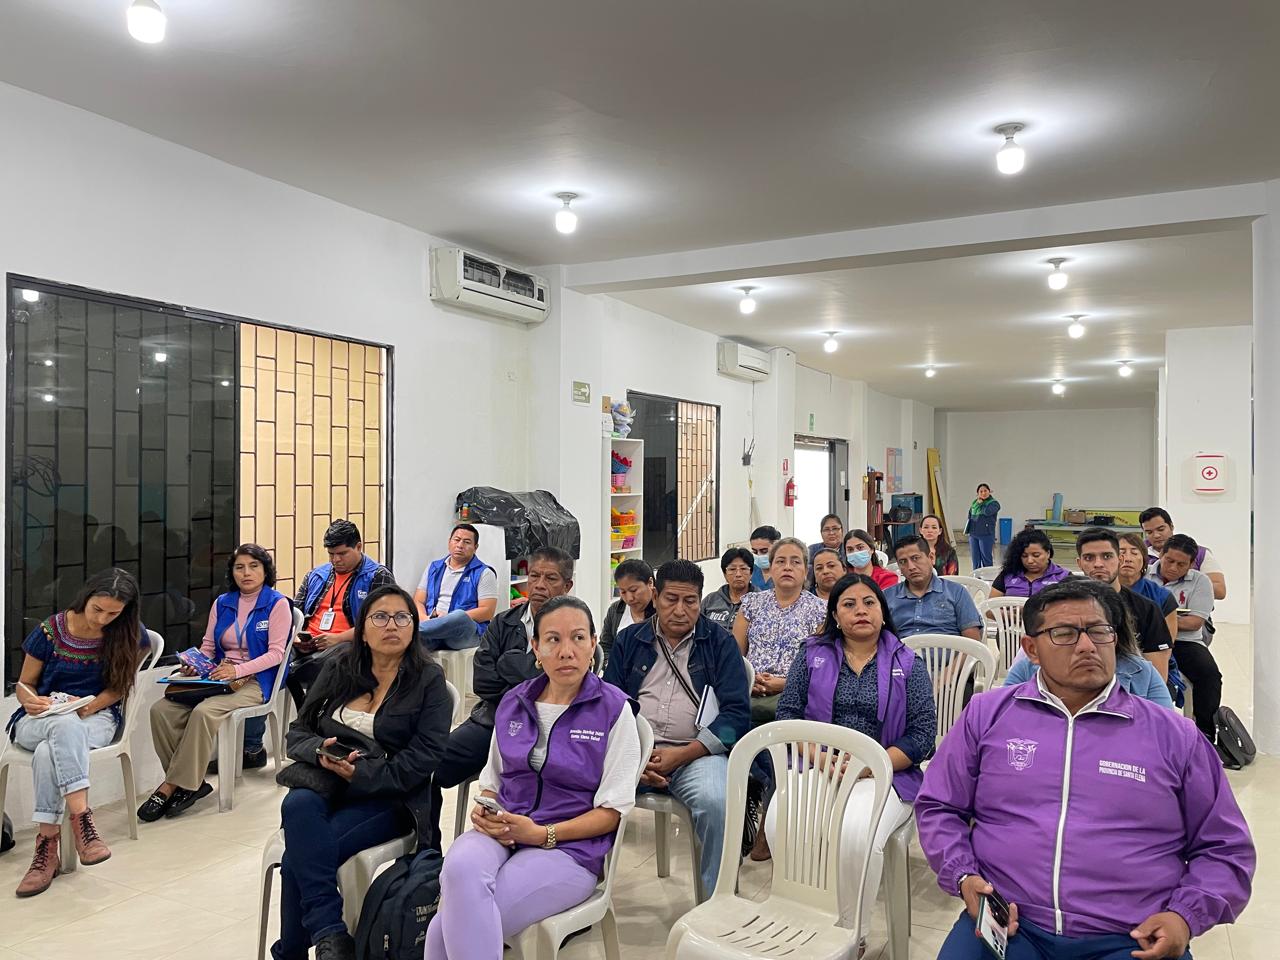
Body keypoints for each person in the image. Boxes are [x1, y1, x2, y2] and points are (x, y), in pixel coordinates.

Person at [916, 578, 1254, 960]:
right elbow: (939, 805)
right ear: (1031, 650)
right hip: (1008, 922)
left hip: (1132, 936)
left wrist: (1185, 917)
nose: (1087, 645)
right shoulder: (987, 715)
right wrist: (963, 875)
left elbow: (1225, 847)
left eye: (1098, 631)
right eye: (1064, 634)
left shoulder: (1174, 735)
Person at [426, 596, 641, 959]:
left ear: (593, 644)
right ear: (536, 648)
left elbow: (612, 812)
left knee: (442, 931)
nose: (566, 651)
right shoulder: (515, 701)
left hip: (569, 849)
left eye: (578, 638)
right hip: (505, 831)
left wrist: (543, 834)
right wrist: (486, 809)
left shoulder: (613, 709)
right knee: (459, 867)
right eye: (553, 639)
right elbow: (492, 782)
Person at [272, 584, 452, 960]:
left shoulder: (428, 680)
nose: (392, 625)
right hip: (326, 781)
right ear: (363, 629)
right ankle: (331, 934)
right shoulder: (340, 667)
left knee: (298, 858)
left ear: (414, 626)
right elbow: (298, 732)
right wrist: (319, 751)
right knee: (298, 804)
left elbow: (425, 758)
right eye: (380, 617)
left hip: (390, 796)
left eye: (402, 617)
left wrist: (361, 775)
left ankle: (296, 950)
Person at [768, 573, 936, 941]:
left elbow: (922, 736)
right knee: (781, 823)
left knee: (855, 835)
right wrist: (821, 758)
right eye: (849, 604)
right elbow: (788, 715)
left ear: (882, 611)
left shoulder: (908, 663)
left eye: (869, 602)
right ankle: (803, 916)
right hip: (819, 763)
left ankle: (849, 932)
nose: (861, 610)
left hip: (884, 772)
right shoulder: (811, 655)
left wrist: (869, 765)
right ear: (835, 615)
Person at [603, 559, 750, 901]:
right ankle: (583, 893)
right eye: (671, 599)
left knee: (716, 801)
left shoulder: (720, 643)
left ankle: (718, 903)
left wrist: (683, 754)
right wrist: (637, 758)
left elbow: (736, 717)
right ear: (655, 597)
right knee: (577, 782)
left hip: (696, 753)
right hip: (636, 752)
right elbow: (610, 707)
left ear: (700, 600)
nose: (681, 610)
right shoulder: (629, 640)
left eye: (690, 601)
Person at [7, 569, 143, 897]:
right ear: (86, 597)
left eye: (113, 613)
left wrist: (89, 706)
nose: (102, 619)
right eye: (98, 609)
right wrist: (30, 699)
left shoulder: (125, 632)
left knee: (49, 750)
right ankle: (83, 821)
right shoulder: (50, 631)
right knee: (63, 725)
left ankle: (46, 849)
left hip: (96, 716)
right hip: (39, 718)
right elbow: (25, 684)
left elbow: (119, 687)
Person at [428, 547, 575, 846]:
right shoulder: (504, 622)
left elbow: (560, 688)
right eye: (534, 576)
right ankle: (426, 855)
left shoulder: (576, 630)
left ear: (567, 586)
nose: (540, 585)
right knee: (426, 768)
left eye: (551, 578)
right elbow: (483, 682)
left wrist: (508, 665)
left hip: (544, 731)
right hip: (491, 720)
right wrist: (531, 675)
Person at [139, 544, 292, 821]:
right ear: (231, 573)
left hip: (256, 680)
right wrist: (195, 664)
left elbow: (276, 654)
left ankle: (171, 786)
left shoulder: (277, 604)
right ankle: (192, 784)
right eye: (239, 567)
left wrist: (238, 671)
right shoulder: (223, 603)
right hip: (218, 677)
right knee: (160, 710)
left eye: (254, 566)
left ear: (265, 570)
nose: (246, 573)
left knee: (204, 712)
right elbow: (209, 647)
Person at [284, 519, 395, 710]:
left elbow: (381, 624)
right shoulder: (316, 575)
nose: (336, 560)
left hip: (350, 644)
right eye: (331, 554)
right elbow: (294, 613)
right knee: (276, 654)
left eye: (342, 554)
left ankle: (307, 710)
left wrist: (337, 638)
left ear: (358, 547)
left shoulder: (378, 576)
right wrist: (295, 637)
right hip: (309, 643)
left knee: (334, 659)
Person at [733, 537, 827, 727]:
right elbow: (735, 657)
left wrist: (785, 684)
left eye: (795, 562)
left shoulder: (820, 610)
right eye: (780, 561)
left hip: (796, 699)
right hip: (749, 692)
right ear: (770, 568)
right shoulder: (751, 604)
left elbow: (822, 668)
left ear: (806, 571)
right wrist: (750, 681)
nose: (787, 567)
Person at [1149, 534, 1221, 743]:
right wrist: (1170, 619)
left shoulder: (1200, 581)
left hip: (1185, 642)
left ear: (1191, 565)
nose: (1173, 568)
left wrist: (1155, 619)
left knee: (1209, 676)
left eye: (1181, 564)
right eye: (1169, 560)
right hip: (1148, 640)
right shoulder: (1144, 576)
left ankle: (1204, 734)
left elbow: (1194, 622)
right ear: (1161, 555)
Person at [1074, 528, 1172, 680]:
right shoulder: (1064, 608)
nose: (1098, 564)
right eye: (1089, 558)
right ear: (1079, 563)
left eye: (1107, 556)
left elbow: (1157, 677)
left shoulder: (1147, 610)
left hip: (1132, 689)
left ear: (1120, 559)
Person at [414, 523, 498, 651]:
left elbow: (487, 611)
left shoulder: (484, 573)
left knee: (459, 616)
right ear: (449, 542)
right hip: (431, 630)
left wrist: (448, 619)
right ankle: (417, 631)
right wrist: (425, 619)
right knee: (407, 645)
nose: (460, 545)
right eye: (457, 540)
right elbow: (418, 600)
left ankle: (410, 630)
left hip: (463, 634)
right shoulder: (434, 567)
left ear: (475, 547)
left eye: (467, 542)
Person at [885, 536, 982, 640]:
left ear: (931, 558)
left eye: (915, 558)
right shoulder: (887, 597)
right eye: (903, 562)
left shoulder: (956, 592)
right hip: (901, 649)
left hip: (947, 650)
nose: (911, 567)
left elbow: (973, 641)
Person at [1140, 507, 1227, 600]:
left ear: (1171, 526)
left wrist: (1185, 586)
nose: (1156, 535)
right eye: (1149, 532)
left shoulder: (1200, 553)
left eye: (1161, 529)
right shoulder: (1138, 553)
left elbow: (1220, 591)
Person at [1117, 532, 1180, 644]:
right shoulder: (1098, 593)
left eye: (1134, 553)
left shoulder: (1163, 596)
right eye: (1121, 553)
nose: (1128, 559)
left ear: (1144, 560)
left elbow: (1166, 644)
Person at [599, 558, 656, 665]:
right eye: (623, 592)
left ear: (650, 583)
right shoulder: (615, 610)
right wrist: (611, 666)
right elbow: (606, 646)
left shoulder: (663, 612)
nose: (629, 598)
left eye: (634, 590)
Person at [988, 529, 1071, 599]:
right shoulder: (1008, 575)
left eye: (1036, 555)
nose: (1030, 561)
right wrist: (1009, 612)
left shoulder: (1064, 577)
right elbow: (990, 608)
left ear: (1048, 553)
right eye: (1024, 556)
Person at [701, 547, 756, 628]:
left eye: (743, 569)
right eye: (732, 569)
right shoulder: (710, 600)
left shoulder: (760, 601)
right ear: (724, 574)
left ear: (751, 573)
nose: (738, 574)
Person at [963, 484, 1000, 570]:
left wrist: (981, 504)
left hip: (986, 535)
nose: (983, 493)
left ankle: (988, 576)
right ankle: (976, 576)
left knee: (986, 558)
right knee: (975, 559)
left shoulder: (994, 503)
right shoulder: (974, 504)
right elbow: (970, 516)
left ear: (989, 491)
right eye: (981, 491)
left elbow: (987, 512)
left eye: (985, 491)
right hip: (973, 534)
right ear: (978, 494)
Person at [749, 525, 782, 590]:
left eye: (764, 551)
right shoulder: (752, 570)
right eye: (755, 552)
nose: (759, 555)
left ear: (777, 547)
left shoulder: (785, 571)